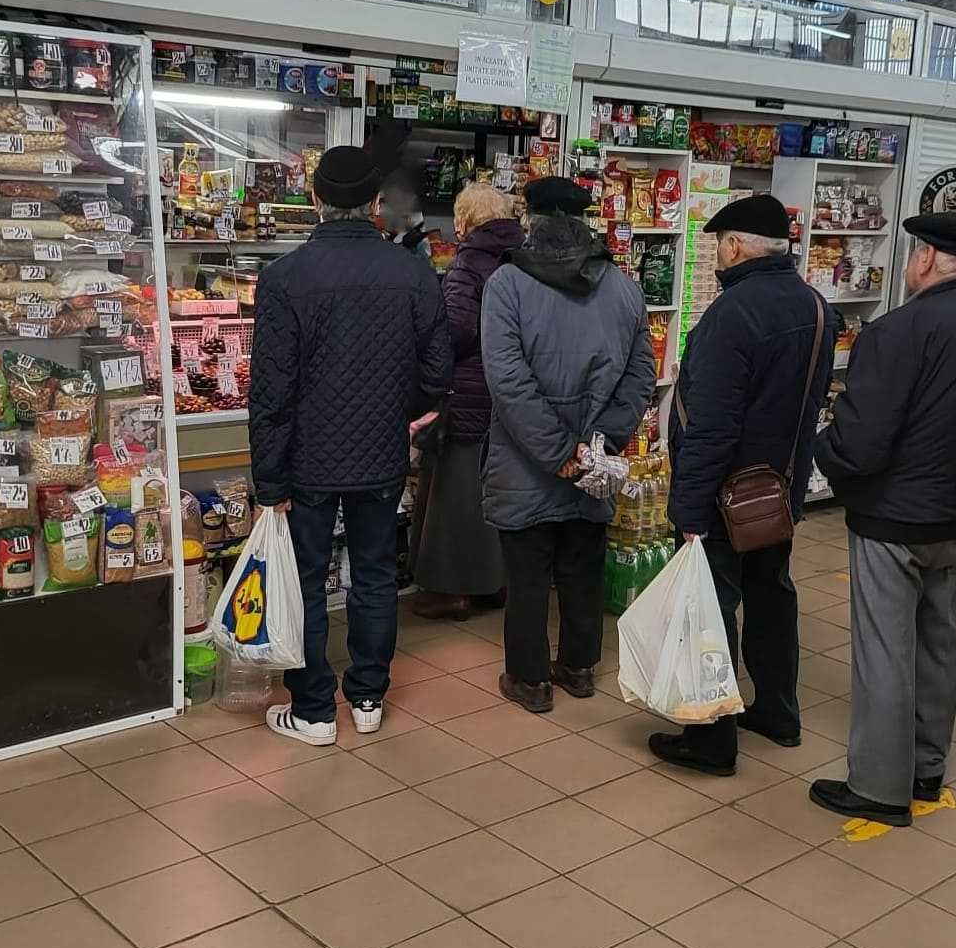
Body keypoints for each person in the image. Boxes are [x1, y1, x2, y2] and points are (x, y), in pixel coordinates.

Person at [809, 210, 956, 823]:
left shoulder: (898, 331)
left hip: (892, 521)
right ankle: (927, 771)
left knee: (885, 651)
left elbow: (861, 442)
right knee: (942, 646)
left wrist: (820, 446)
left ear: (927, 257)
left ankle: (879, 788)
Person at [249, 143, 452, 747]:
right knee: (374, 575)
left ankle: (313, 709)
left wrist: (270, 481)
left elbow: (271, 391)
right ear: (375, 204)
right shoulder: (413, 271)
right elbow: (437, 368)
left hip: (306, 461)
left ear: (314, 200)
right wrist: (399, 410)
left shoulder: (284, 278)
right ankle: (367, 696)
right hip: (381, 455)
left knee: (306, 580)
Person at [650, 193, 835, 777]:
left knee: (711, 609)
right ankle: (779, 712)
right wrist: (795, 485)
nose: (714, 260)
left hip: (724, 495)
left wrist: (688, 511)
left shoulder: (732, 315)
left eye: (716, 249)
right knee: (772, 597)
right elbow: (809, 408)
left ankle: (711, 741)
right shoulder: (818, 307)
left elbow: (711, 426)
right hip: (776, 492)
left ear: (733, 246)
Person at [480, 175, 656, 713]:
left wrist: (560, 454)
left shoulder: (506, 284)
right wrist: (601, 443)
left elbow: (507, 381)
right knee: (583, 568)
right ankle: (579, 668)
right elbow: (641, 373)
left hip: (526, 463)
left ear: (530, 218)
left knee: (528, 576)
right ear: (586, 221)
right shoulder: (624, 288)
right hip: (594, 462)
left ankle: (530, 681)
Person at [410, 181, 523, 620]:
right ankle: (496, 584)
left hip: (469, 392)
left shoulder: (468, 264)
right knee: (496, 493)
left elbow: (456, 329)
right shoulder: (520, 258)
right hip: (509, 395)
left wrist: (425, 348)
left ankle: (454, 590)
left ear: (464, 221)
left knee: (455, 494)